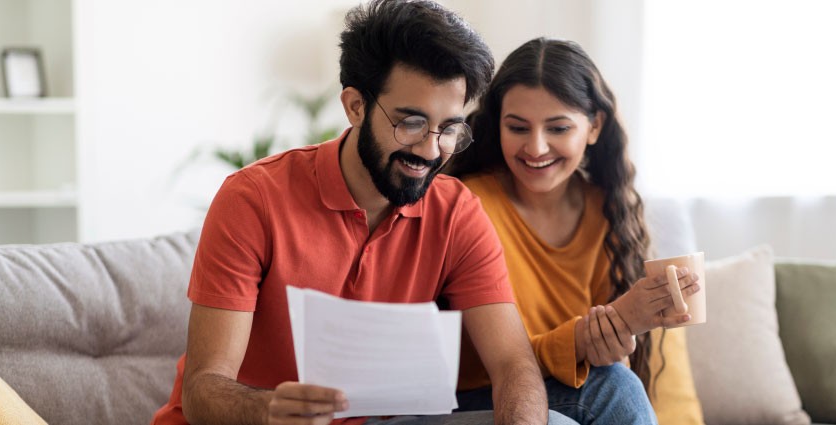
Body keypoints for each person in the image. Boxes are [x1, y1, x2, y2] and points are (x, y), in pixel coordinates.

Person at [151, 2, 571, 425]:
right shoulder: (253, 199)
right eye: (410, 123)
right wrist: (265, 410)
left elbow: (514, 365)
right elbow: (203, 389)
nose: (429, 150)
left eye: (447, 129)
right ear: (354, 106)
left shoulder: (457, 212)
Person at [447, 38, 702, 424]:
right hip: (480, 395)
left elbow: (604, 365)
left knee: (615, 379)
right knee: (613, 388)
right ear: (496, 123)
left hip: (563, 392)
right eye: (517, 127)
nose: (535, 147)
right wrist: (581, 340)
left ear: (594, 126)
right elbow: (500, 363)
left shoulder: (607, 212)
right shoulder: (468, 204)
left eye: (558, 128)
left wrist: (611, 341)